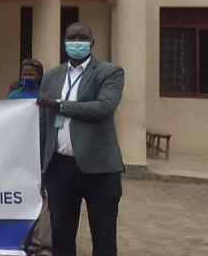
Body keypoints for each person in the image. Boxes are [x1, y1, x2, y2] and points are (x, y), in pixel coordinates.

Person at [37, 23, 124, 256]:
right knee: (61, 234)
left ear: (92, 43)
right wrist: (42, 165)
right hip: (60, 167)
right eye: (71, 37)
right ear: (64, 42)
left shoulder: (110, 72)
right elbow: (44, 122)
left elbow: (104, 107)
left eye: (82, 37)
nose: (77, 42)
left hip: (100, 168)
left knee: (103, 235)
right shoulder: (52, 76)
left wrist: (60, 106)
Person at [6, 58, 51, 256]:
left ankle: (41, 245)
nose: (27, 78)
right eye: (24, 74)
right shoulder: (14, 95)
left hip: (41, 155)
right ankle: (24, 242)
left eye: (31, 75)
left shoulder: (46, 97)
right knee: (23, 200)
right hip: (20, 154)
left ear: (40, 77)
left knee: (42, 200)